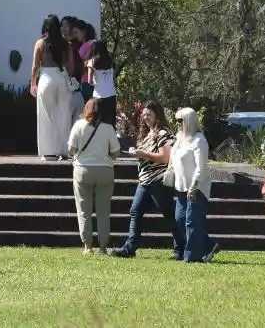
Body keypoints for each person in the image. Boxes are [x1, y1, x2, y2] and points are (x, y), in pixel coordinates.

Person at [112, 102, 184, 259]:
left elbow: (165, 157)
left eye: (149, 114)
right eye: (144, 115)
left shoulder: (163, 133)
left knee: (169, 214)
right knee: (135, 211)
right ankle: (130, 248)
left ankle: (181, 249)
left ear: (157, 115)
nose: (145, 117)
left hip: (157, 180)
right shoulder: (147, 132)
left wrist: (143, 154)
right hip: (145, 180)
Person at [67, 97, 121, 256]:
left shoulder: (78, 125)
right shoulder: (108, 128)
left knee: (83, 210)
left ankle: (87, 247)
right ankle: (103, 247)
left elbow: (71, 149)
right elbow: (116, 152)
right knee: (104, 211)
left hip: (83, 170)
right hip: (105, 170)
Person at [169, 107, 220, 264]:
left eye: (180, 121)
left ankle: (191, 257)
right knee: (180, 218)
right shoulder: (179, 138)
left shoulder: (199, 140)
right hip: (180, 186)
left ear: (189, 121)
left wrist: (194, 186)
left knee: (191, 221)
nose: (177, 124)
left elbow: (201, 166)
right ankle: (209, 245)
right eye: (176, 120)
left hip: (196, 187)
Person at [30, 14, 72, 160]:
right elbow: (69, 65)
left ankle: (49, 152)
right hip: (62, 78)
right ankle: (64, 150)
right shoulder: (65, 44)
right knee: (63, 115)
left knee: (46, 116)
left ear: (45, 26)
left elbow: (35, 66)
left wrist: (33, 83)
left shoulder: (40, 43)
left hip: (46, 78)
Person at [88, 39, 117, 127]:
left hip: (98, 96)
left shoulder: (92, 61)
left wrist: (97, 84)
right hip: (111, 95)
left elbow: (89, 81)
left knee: (98, 124)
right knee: (110, 124)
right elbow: (113, 79)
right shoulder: (111, 60)